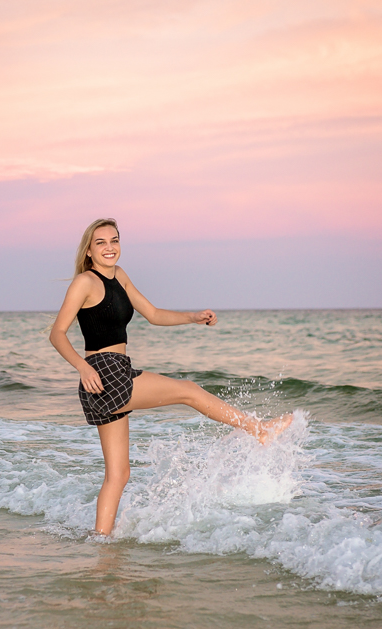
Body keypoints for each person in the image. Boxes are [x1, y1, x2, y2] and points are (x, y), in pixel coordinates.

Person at [49, 218, 294, 536]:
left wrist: (192, 317)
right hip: (104, 373)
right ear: (89, 251)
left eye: (115, 240)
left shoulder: (119, 276)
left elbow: (152, 314)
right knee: (188, 390)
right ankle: (259, 429)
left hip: (114, 373)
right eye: (101, 242)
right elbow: (57, 333)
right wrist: (83, 367)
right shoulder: (85, 282)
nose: (110, 247)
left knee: (119, 474)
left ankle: (101, 543)